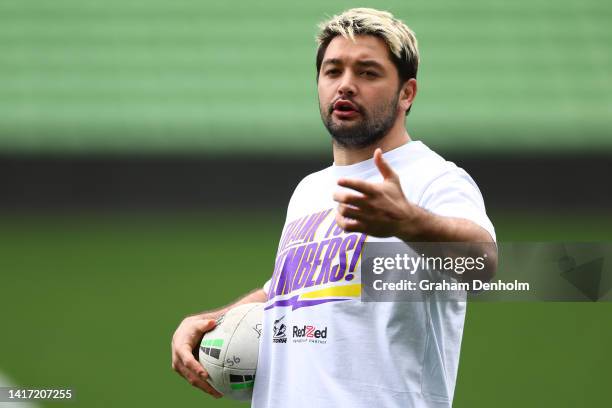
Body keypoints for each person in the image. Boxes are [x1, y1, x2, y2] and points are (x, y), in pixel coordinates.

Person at [172, 8, 497, 407]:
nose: (346, 85)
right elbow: (286, 294)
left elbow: (483, 266)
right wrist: (210, 321)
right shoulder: (309, 190)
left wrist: (409, 222)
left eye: (368, 72)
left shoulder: (433, 177)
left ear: (407, 93)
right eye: (333, 71)